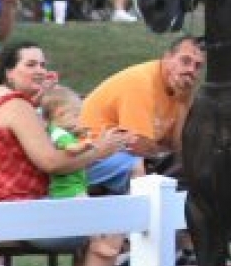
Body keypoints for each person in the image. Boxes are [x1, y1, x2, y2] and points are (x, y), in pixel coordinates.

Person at [0, 41, 129, 266]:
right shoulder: (15, 106)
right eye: (30, 64)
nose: (40, 70)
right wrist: (100, 150)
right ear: (9, 72)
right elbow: (52, 163)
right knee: (115, 223)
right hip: (18, 217)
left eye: (43, 64)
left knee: (99, 224)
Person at [79, 36, 204, 193]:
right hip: (89, 155)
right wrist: (161, 149)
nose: (191, 70)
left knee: (191, 166)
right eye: (185, 61)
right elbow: (138, 145)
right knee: (160, 172)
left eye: (198, 66)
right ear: (166, 58)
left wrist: (184, 102)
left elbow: (179, 145)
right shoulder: (142, 82)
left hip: (124, 156)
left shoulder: (178, 90)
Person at [40, 85, 93, 199]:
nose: (79, 119)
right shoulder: (58, 133)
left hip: (73, 187)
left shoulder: (60, 131)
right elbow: (71, 148)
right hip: (68, 189)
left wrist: (81, 135)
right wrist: (87, 144)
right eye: (76, 115)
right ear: (60, 114)